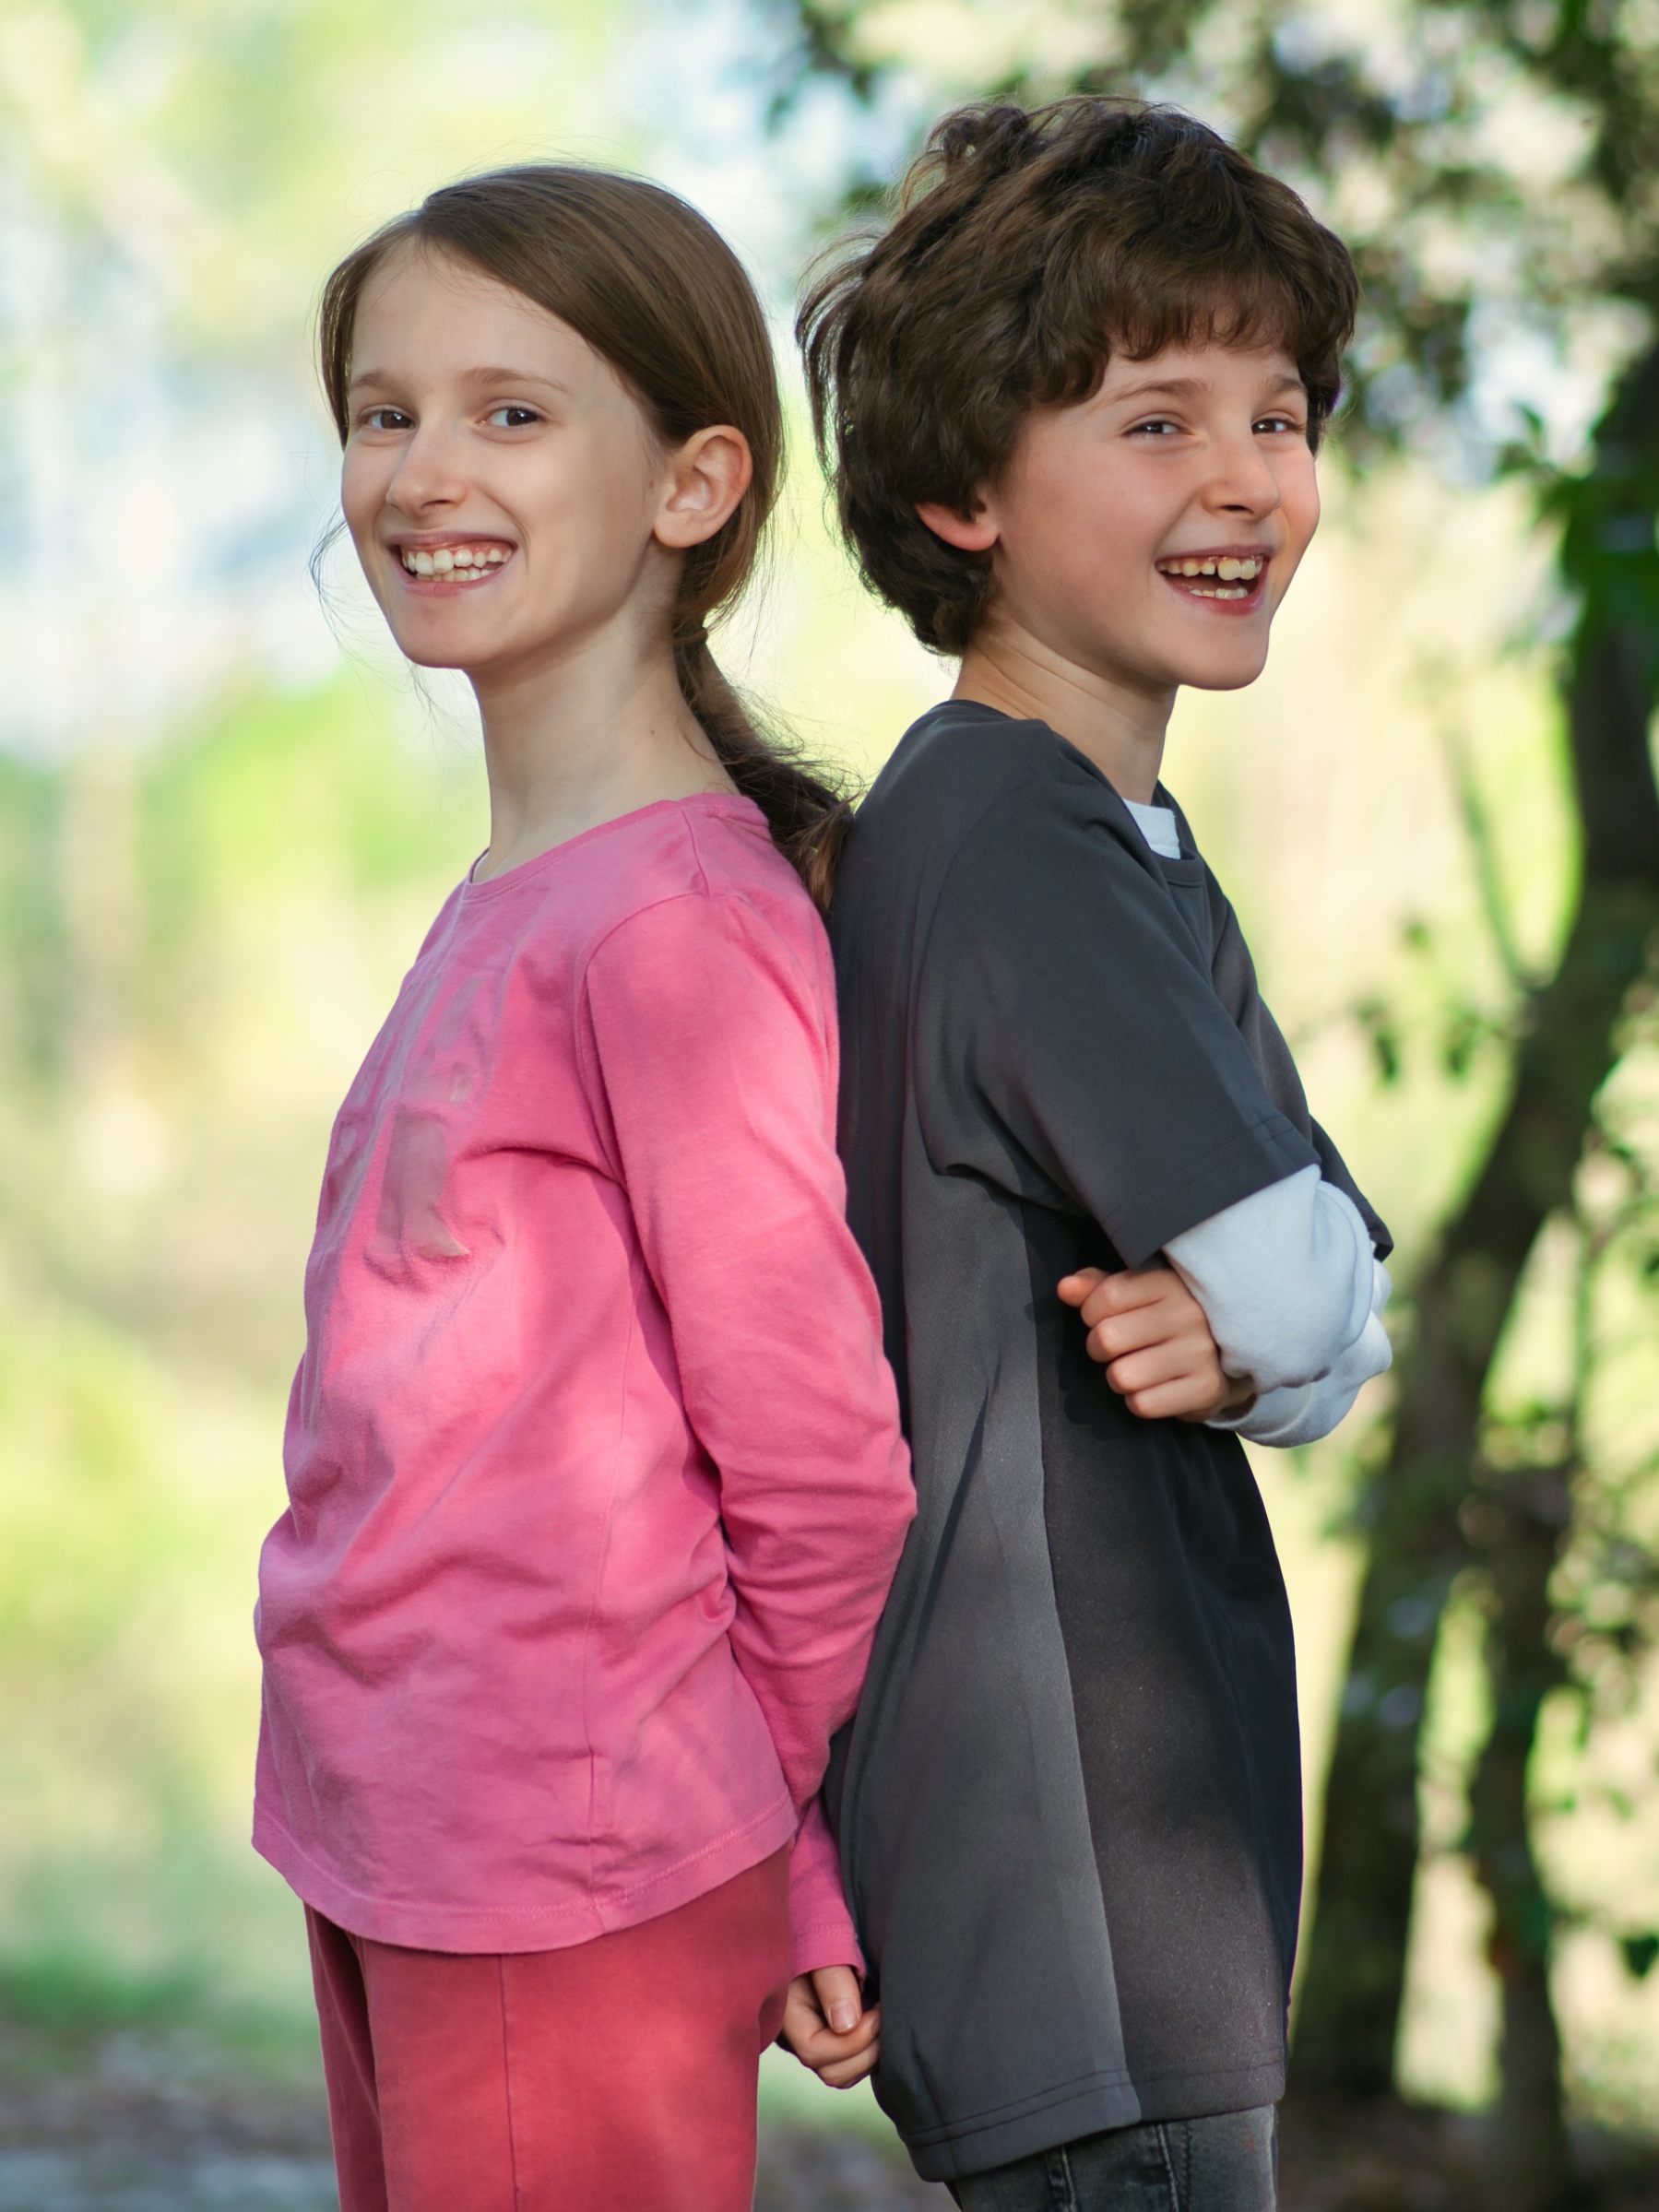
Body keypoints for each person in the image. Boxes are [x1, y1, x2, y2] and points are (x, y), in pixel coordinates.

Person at [253, 165, 914, 2212]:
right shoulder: (521, 896)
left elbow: (816, 1475)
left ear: (694, 484)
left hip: (569, 1866)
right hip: (401, 1831)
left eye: (512, 412)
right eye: (384, 411)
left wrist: (781, 1835)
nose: (422, 469)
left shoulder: (674, 926)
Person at [797, 99, 1394, 2209]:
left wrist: (1274, 1334)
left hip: (1121, 1909)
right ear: (961, 485)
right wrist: (1287, 1320)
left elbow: (1330, 1295)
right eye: (1158, 421)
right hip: (1077, 1896)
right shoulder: (1015, 832)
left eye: (1284, 411)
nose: (1251, 478)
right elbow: (1315, 1276)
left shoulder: (1118, 838)